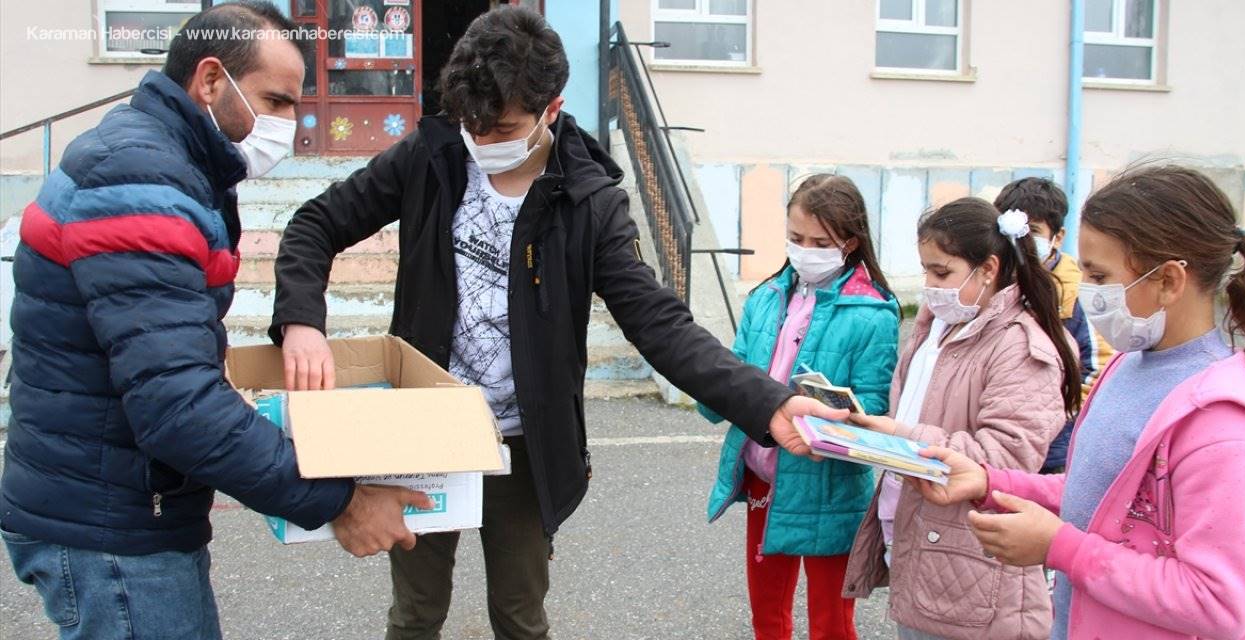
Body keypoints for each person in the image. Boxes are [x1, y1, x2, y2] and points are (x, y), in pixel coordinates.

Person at [268, 7, 844, 640]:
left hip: (523, 445)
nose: (481, 141)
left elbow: (659, 323)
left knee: (520, 619)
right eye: (471, 124)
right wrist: (301, 321)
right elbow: (316, 224)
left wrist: (766, 402)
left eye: (501, 128)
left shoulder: (589, 201)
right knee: (415, 615)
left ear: (552, 108)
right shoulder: (432, 154)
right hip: (422, 434)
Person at [0, 3, 428, 639]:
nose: (288, 126)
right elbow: (178, 406)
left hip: (120, 505)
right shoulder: (139, 182)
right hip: (111, 526)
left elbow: (165, 361)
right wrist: (343, 501)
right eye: (275, 101)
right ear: (209, 80)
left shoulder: (165, 164)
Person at [908, 165, 1245, 640]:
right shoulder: (1130, 366)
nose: (1088, 292)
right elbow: (1099, 494)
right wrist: (989, 481)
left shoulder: (1224, 424)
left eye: (1100, 275)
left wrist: (1062, 548)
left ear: (1169, 280)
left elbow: (1220, 603)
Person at [842, 198, 1082, 640]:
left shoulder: (1019, 345)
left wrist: (900, 436)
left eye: (941, 273)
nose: (930, 287)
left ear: (988, 269)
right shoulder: (938, 325)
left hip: (974, 562)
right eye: (925, 271)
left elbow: (1006, 458)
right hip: (921, 538)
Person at [703, 174, 900, 640]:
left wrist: (830, 415)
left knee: (832, 622)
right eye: (796, 238)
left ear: (850, 243)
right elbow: (733, 372)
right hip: (763, 471)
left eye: (820, 243)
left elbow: (873, 406)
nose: (806, 250)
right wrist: (708, 390)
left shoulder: (873, 313)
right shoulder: (765, 297)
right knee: (766, 612)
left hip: (829, 483)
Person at [994, 177, 1113, 474]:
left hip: (1054, 448)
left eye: (1032, 231)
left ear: (1058, 237)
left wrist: (1050, 416)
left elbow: (1097, 369)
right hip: (1002, 438)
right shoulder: (997, 280)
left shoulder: (1076, 293)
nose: (1020, 240)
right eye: (1011, 231)